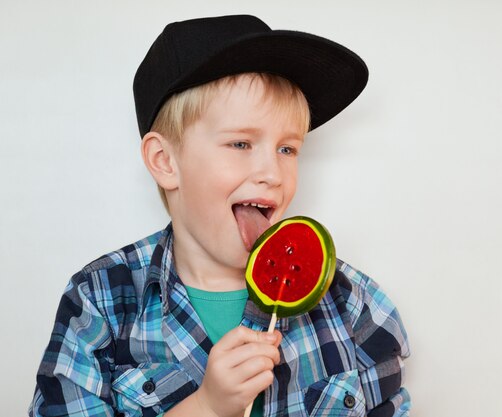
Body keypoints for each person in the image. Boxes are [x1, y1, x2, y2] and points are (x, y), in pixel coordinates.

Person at [29, 15, 410, 417]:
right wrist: (207, 407)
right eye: (241, 143)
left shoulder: (352, 302)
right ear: (165, 161)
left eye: (287, 149)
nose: (272, 174)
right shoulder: (101, 300)